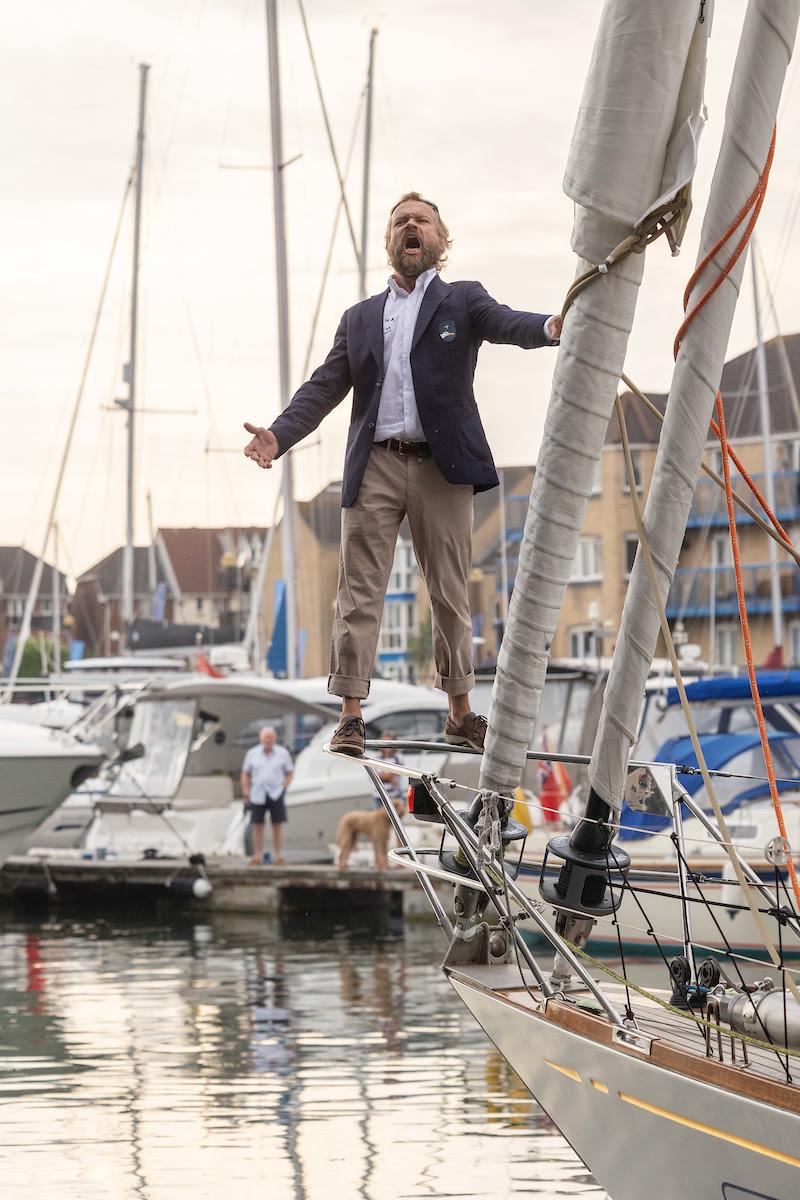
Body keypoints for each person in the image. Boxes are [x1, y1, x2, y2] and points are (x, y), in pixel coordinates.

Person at [244, 192, 562, 757]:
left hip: (442, 465)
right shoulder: (361, 318)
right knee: (358, 590)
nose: (410, 227)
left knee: (449, 590)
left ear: (441, 242)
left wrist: (551, 327)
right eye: (400, 222)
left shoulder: (463, 301)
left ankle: (460, 711)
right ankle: (350, 716)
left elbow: (506, 323)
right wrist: (278, 435)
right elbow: (324, 386)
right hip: (377, 464)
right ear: (390, 242)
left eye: (422, 221)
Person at [240, 725, 293, 865]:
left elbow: (289, 772)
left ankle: (278, 855)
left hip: (276, 793)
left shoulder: (283, 753)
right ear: (261, 739)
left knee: (277, 825)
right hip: (257, 793)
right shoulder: (252, 753)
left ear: (274, 738)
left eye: (270, 737)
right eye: (265, 738)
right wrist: (246, 790)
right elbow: (245, 773)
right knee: (257, 825)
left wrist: (284, 786)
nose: (268, 740)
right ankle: (257, 855)